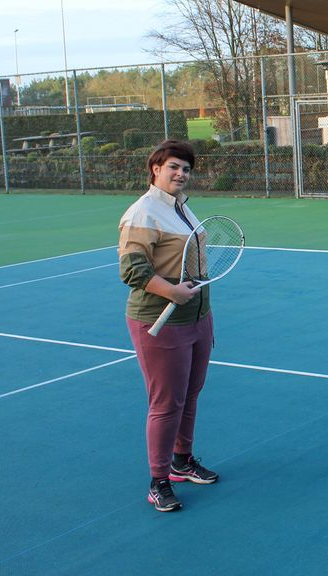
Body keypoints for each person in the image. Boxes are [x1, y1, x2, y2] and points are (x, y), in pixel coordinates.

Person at [118, 140, 219, 512]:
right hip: (157, 322)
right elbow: (132, 270)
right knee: (165, 403)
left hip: (196, 318)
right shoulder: (142, 213)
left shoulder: (182, 210)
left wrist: (200, 312)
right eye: (173, 167)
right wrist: (172, 292)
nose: (180, 174)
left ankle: (182, 461)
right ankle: (158, 481)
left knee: (190, 394)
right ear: (156, 169)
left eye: (186, 169)